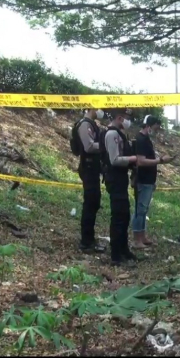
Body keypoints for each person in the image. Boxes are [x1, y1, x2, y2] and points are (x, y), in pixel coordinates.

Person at [100, 108, 138, 266]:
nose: (128, 121)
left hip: (121, 178)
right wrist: (134, 158)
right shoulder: (111, 134)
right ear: (120, 117)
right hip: (114, 178)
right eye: (127, 118)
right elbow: (115, 159)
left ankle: (124, 249)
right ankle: (116, 255)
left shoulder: (118, 133)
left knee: (124, 215)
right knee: (118, 217)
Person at [132, 115, 174, 249]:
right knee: (140, 209)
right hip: (142, 179)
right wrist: (160, 161)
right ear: (149, 125)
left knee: (144, 210)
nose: (157, 131)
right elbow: (141, 161)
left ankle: (143, 236)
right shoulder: (140, 140)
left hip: (149, 179)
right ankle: (137, 239)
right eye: (156, 127)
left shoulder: (147, 139)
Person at [72, 108, 106, 253]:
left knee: (94, 203)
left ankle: (90, 239)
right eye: (99, 108)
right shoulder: (85, 124)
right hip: (88, 168)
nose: (101, 111)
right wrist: (106, 146)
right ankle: (86, 242)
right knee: (90, 204)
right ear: (92, 108)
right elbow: (89, 146)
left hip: (93, 168)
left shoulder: (91, 124)